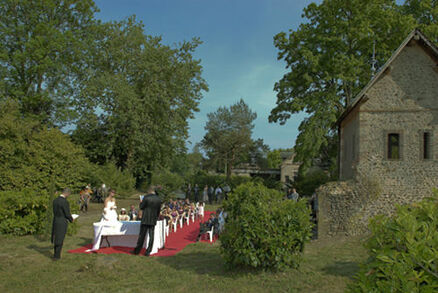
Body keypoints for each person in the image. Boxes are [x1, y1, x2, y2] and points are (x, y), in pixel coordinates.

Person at [132, 186, 162, 256]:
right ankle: (148, 251)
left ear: (149, 191)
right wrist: (156, 217)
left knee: (142, 236)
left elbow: (141, 207)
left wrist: (141, 202)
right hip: (153, 219)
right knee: (151, 236)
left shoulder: (146, 197)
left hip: (145, 218)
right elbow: (158, 210)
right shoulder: (158, 199)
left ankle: (137, 251)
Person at [51, 188, 74, 260]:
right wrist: (71, 219)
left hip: (56, 219)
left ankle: (56, 254)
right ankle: (57, 256)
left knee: (56, 236)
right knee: (60, 238)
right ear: (67, 193)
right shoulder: (64, 202)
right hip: (62, 221)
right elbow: (67, 213)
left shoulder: (55, 200)